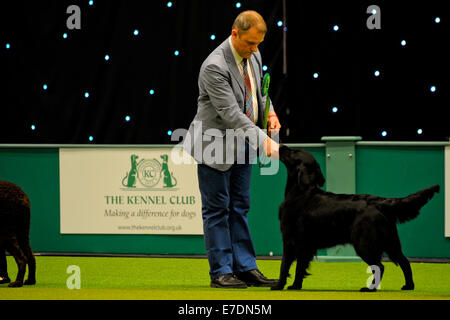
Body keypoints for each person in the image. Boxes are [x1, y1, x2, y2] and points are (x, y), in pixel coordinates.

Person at [183, 10, 281, 288]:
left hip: (243, 144)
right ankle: (222, 272)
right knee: (217, 210)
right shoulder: (214, 66)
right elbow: (231, 114)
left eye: (258, 43)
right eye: (250, 43)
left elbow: (259, 92)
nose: (255, 49)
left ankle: (246, 267)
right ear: (235, 34)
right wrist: (264, 140)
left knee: (240, 207)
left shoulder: (254, 55)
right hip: (214, 145)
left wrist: (270, 112)